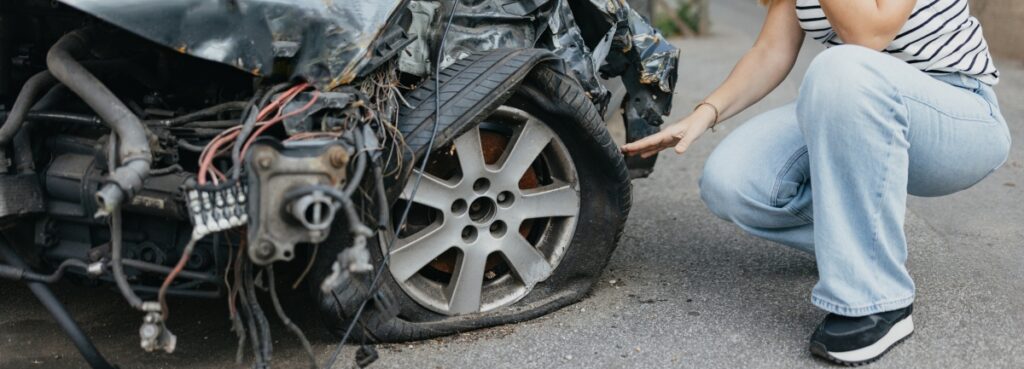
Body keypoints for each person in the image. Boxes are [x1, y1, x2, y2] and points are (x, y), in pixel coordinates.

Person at [621, 0, 1011, 365]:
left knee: (841, 66)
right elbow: (772, 50)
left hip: (957, 114)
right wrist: (706, 113)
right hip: (856, 98)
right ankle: (869, 233)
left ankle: (876, 299)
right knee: (733, 180)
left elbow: (868, 35)